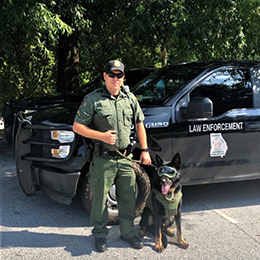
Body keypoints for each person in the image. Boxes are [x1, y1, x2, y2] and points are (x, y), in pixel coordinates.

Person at [73, 60, 152, 252]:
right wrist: (101, 136)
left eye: (119, 75)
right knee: (99, 199)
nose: (116, 79)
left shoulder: (130, 99)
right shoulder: (93, 99)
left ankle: (127, 233)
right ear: (105, 76)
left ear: (123, 78)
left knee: (127, 199)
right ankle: (100, 235)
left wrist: (145, 150)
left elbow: (140, 123)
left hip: (126, 159)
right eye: (112, 75)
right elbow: (77, 126)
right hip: (103, 159)